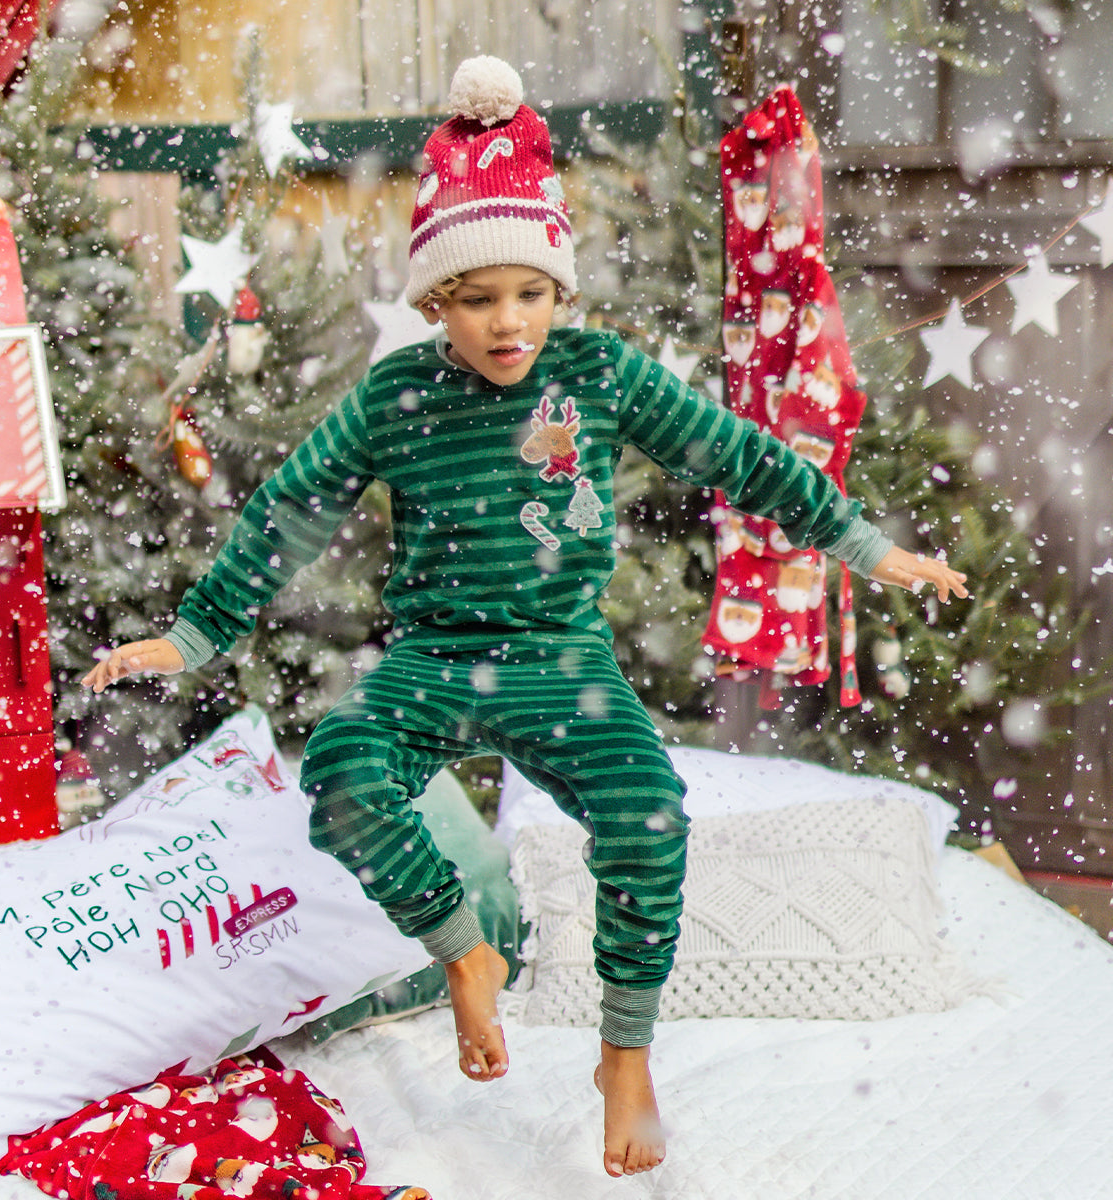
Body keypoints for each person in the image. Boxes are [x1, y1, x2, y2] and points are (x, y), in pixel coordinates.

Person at [83, 56, 969, 1179]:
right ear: (435, 302)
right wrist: (195, 634)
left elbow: (741, 455)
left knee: (649, 813)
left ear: (561, 293)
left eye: (531, 294)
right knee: (347, 768)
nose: (509, 324)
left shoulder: (599, 376)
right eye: (477, 298)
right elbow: (292, 508)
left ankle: (625, 1053)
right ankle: (465, 956)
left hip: (562, 660)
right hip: (435, 660)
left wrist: (864, 546)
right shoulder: (398, 397)